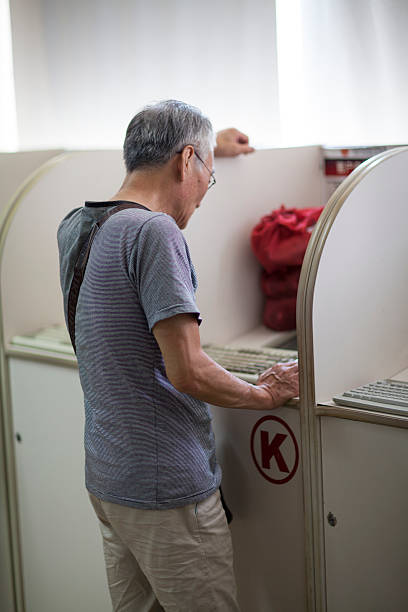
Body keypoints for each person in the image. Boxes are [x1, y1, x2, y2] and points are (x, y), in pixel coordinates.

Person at [57, 100, 298, 612]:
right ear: (185, 161)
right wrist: (264, 392)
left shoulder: (76, 227)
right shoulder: (155, 232)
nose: (205, 195)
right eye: (207, 177)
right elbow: (186, 371)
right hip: (167, 489)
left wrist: (216, 152)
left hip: (108, 480)